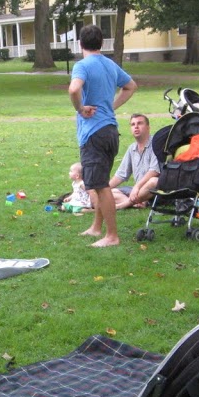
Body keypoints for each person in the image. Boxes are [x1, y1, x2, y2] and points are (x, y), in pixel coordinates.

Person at [68, 24, 138, 246]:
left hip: (94, 133)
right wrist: (111, 106)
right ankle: (97, 227)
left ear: (80, 44)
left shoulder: (82, 66)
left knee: (100, 185)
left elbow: (73, 89)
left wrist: (80, 108)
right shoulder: (110, 65)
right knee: (100, 182)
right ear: (101, 43)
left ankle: (112, 236)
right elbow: (131, 86)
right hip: (110, 132)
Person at [110, 113, 160, 209]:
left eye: (140, 123)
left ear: (148, 127)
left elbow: (154, 171)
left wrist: (137, 187)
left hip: (152, 191)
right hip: (138, 191)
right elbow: (120, 175)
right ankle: (139, 202)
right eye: (133, 124)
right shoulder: (132, 148)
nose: (136, 127)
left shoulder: (156, 144)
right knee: (110, 192)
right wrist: (104, 190)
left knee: (154, 181)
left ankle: (122, 205)